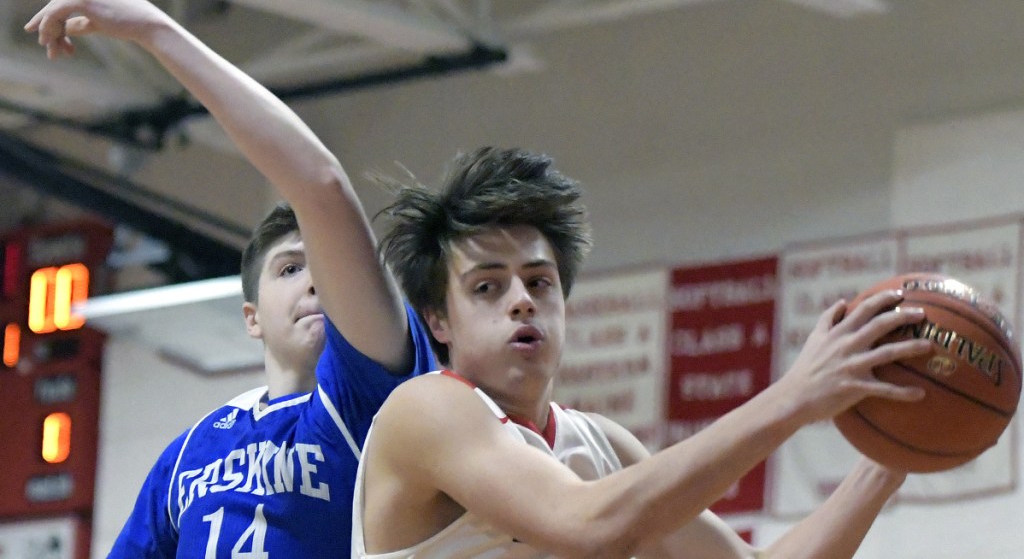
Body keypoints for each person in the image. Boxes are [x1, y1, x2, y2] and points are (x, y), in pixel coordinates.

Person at [352, 146, 934, 558]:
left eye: (539, 281)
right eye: (487, 287)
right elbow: (586, 527)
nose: (522, 302)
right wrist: (794, 397)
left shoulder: (601, 447)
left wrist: (893, 455)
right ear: (437, 320)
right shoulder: (426, 411)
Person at [26, 0, 435, 557]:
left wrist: (153, 28)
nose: (315, 280)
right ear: (251, 318)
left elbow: (322, 187)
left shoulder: (366, 398)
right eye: (290, 268)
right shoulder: (190, 452)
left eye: (324, 266)